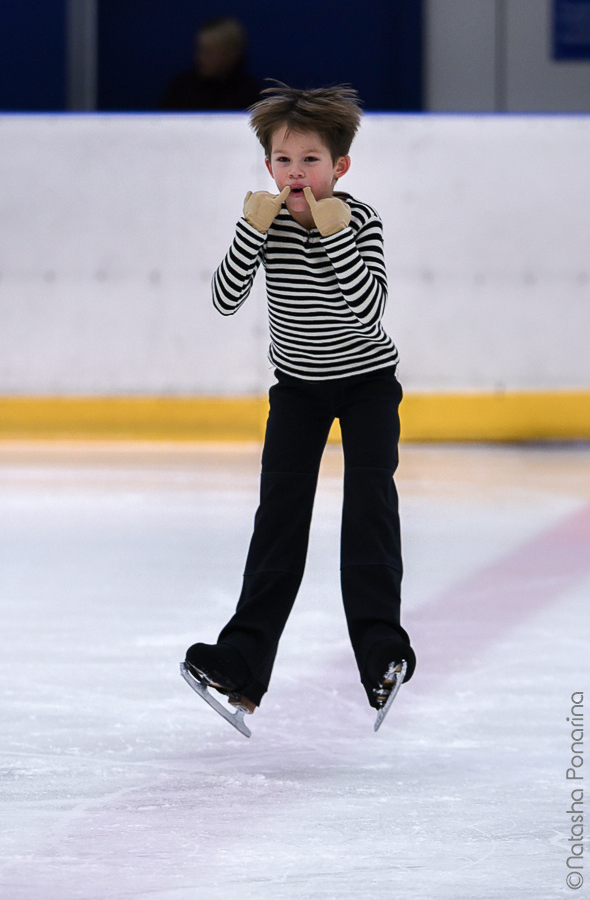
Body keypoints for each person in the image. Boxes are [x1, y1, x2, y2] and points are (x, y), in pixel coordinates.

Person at [183, 83, 416, 731]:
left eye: (309, 161)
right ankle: (241, 663)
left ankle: (380, 652)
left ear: (338, 167)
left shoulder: (359, 220)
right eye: (284, 161)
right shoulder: (265, 224)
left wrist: (334, 232)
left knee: (369, 509)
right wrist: (249, 231)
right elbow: (225, 300)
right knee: (279, 517)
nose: (295, 174)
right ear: (267, 168)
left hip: (368, 383)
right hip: (298, 388)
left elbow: (368, 313)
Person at [160, 17, 261, 111]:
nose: (199, 58)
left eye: (209, 51)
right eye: (199, 50)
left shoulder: (249, 95)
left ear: (230, 53)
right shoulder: (181, 89)